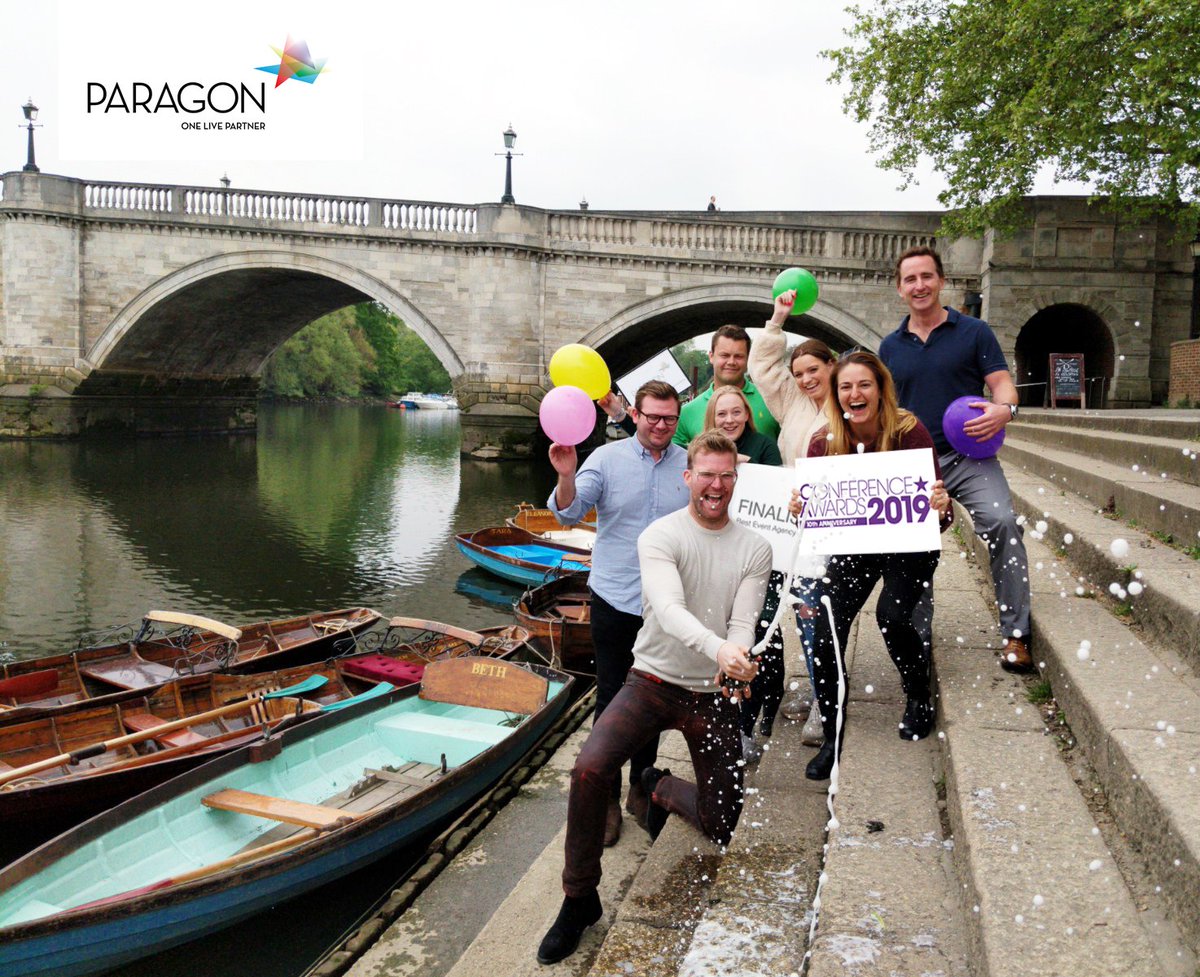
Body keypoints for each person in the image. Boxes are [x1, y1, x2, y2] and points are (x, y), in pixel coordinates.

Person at [537, 431, 773, 965]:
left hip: (712, 694)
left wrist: (736, 655)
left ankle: (657, 785)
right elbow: (666, 608)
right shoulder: (660, 536)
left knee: (722, 824)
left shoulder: (756, 547)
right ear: (687, 478)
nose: (716, 486)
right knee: (589, 768)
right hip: (652, 681)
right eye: (706, 475)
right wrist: (721, 649)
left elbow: (742, 619)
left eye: (726, 475)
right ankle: (578, 899)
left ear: (737, 479)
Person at [547, 379, 690, 846]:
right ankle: (605, 796)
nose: (661, 425)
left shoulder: (689, 464)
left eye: (669, 417)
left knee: (651, 697)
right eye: (652, 416)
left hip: (665, 605)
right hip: (614, 598)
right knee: (611, 699)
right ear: (635, 414)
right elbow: (568, 515)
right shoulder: (606, 460)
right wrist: (566, 475)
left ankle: (639, 788)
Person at [797, 352, 952, 781]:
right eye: (845, 386)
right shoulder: (823, 441)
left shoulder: (909, 431)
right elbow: (815, 519)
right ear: (836, 394)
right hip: (855, 548)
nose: (854, 394)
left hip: (908, 547)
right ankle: (832, 731)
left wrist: (941, 506)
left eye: (863, 384)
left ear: (880, 389)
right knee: (826, 625)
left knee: (892, 616)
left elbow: (937, 510)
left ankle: (917, 693)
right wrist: (801, 509)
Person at [879, 246, 1033, 672]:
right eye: (910, 279)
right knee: (916, 547)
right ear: (899, 288)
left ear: (941, 281)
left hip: (969, 457)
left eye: (926, 276)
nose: (919, 285)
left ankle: (1016, 635)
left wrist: (1006, 409)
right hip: (915, 465)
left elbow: (1003, 385)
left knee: (1003, 523)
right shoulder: (890, 346)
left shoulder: (974, 332)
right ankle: (919, 640)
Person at [749, 290, 839, 745]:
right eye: (799, 372)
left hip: (832, 527)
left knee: (815, 609)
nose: (805, 379)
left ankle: (825, 706)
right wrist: (778, 319)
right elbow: (762, 369)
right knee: (789, 607)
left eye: (813, 371)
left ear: (832, 369)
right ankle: (811, 688)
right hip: (791, 521)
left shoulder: (849, 407)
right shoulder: (791, 404)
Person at [701, 386, 784, 759]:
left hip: (763, 556)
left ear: (747, 414)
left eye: (736, 413)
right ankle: (736, 715)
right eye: (722, 414)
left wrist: (752, 471)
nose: (730, 420)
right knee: (727, 635)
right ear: (713, 418)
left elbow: (778, 490)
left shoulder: (764, 445)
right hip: (720, 555)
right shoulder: (706, 448)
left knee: (763, 633)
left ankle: (752, 718)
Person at [674, 325, 780, 446]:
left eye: (738, 356)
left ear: (748, 360)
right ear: (711, 357)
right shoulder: (687, 412)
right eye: (724, 355)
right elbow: (673, 458)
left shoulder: (771, 400)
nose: (731, 362)